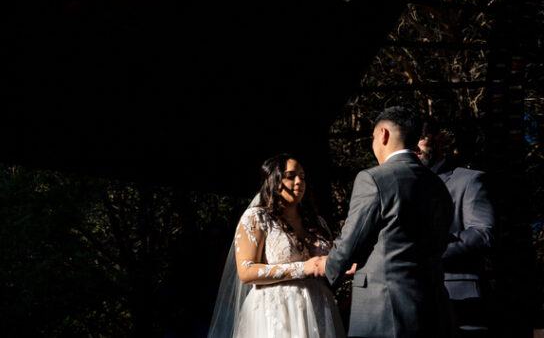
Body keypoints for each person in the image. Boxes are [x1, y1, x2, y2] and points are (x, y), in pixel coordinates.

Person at [318, 105, 455, 337]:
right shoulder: (437, 184)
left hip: (385, 306)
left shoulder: (373, 178)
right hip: (433, 303)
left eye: (372, 137)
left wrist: (328, 269)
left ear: (383, 134)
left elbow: (351, 239)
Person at [208, 153, 345, 337]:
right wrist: (303, 268)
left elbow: (326, 268)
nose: (299, 182)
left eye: (302, 177)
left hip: (318, 307)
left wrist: (342, 268)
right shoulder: (257, 218)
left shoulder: (317, 222)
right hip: (276, 311)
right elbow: (246, 271)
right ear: (273, 180)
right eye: (290, 176)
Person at [419, 120, 495, 334]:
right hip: (409, 305)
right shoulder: (397, 186)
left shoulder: (469, 180)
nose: (414, 145)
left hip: (460, 299)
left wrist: (428, 250)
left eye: (421, 136)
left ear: (438, 138)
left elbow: (482, 233)